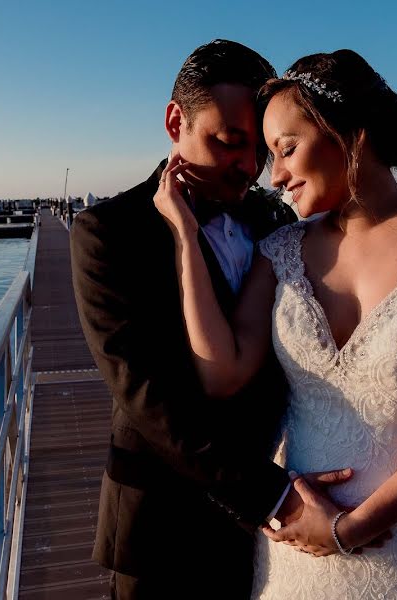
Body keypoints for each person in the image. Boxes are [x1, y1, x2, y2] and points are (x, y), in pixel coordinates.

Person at [153, 49, 397, 598]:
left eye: (286, 149)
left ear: (350, 133)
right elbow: (221, 373)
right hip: (299, 550)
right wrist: (185, 237)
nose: (273, 175)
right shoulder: (279, 252)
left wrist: (351, 529)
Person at [71, 40, 354, 600]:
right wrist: (275, 497)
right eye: (229, 143)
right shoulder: (106, 232)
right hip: (160, 526)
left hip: (275, 522)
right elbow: (148, 397)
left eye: (263, 150)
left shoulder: (273, 218)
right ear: (177, 121)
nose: (250, 169)